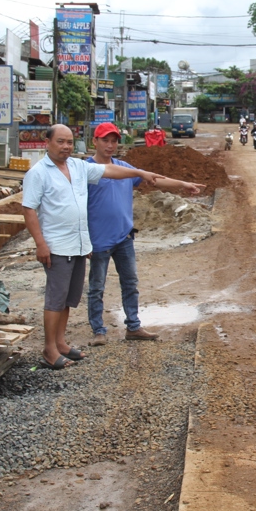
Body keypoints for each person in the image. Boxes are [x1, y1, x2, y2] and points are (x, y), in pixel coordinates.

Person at [22, 124, 164, 370]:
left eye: (69, 142)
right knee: (55, 299)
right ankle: (49, 349)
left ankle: (61, 343)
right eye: (60, 142)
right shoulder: (38, 173)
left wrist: (140, 172)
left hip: (78, 245)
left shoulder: (77, 167)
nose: (66, 146)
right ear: (48, 143)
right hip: (56, 246)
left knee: (68, 298)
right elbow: (28, 209)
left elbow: (110, 170)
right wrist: (40, 244)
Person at [85, 122, 204, 346]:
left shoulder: (124, 168)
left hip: (124, 237)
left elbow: (153, 178)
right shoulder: (86, 170)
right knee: (96, 287)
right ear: (95, 141)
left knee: (130, 283)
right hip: (98, 240)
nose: (110, 145)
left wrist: (182, 184)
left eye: (114, 141)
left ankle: (133, 326)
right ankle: (98, 330)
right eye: (105, 140)